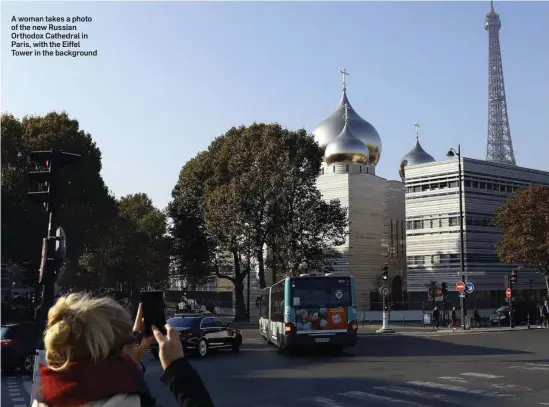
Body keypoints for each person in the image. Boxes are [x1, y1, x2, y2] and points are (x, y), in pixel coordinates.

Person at [31, 292, 215, 407]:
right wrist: (177, 368)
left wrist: (128, 362)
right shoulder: (126, 402)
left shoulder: (43, 398)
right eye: (131, 339)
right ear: (116, 350)